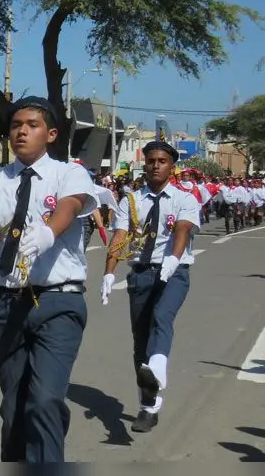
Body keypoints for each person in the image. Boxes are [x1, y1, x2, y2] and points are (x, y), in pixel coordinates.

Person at [0, 96, 96, 463]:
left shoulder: (69, 173)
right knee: (14, 410)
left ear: (51, 133)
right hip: (7, 304)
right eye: (15, 125)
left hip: (59, 301)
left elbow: (70, 206)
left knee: (46, 402)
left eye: (32, 124)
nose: (21, 131)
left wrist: (48, 234)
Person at [101, 141, 199, 433]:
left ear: (172, 166)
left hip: (174, 272)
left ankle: (155, 379)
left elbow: (182, 228)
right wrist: (109, 272)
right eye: (151, 160)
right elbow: (120, 235)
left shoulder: (185, 198)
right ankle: (149, 399)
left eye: (162, 160)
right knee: (140, 340)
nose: (156, 165)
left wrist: (173, 258)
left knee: (162, 317)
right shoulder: (131, 200)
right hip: (141, 274)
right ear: (144, 164)